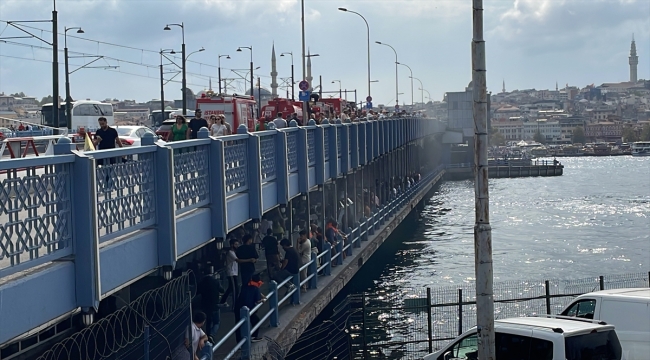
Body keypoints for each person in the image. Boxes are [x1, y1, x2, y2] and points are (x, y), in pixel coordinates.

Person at [220, 239, 256, 307]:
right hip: (231, 273)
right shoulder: (230, 253)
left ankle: (223, 301)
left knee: (231, 288)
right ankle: (235, 305)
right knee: (235, 289)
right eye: (236, 244)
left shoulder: (234, 253)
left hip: (234, 273)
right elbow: (238, 260)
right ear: (232, 245)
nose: (237, 246)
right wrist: (250, 260)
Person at [234, 273, 266, 343]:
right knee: (256, 321)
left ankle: (239, 342)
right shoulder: (256, 289)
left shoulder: (246, 285)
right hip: (248, 309)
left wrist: (261, 295)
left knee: (238, 325)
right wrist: (262, 300)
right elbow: (257, 300)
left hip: (238, 307)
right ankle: (253, 336)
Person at [197, 268, 223, 340]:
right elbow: (222, 290)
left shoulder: (201, 282)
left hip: (205, 305)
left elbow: (197, 292)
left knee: (208, 321)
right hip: (215, 304)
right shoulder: (215, 281)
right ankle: (212, 334)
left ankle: (208, 336)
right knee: (216, 322)